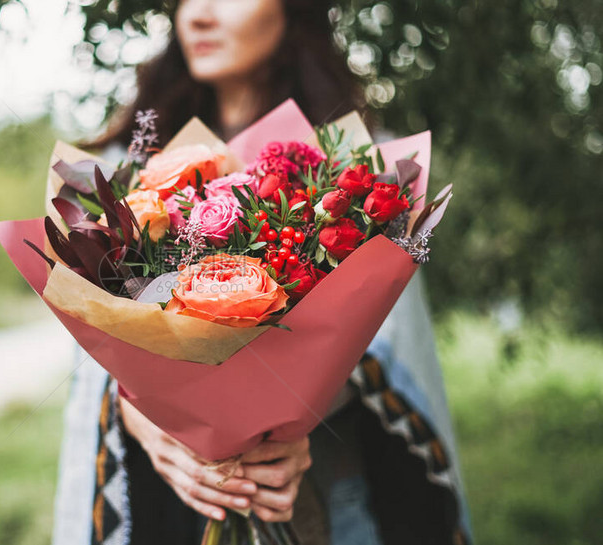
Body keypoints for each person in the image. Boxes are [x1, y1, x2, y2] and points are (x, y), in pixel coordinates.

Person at [51, 1, 473, 544]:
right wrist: (142, 420)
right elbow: (98, 351)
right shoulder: (123, 176)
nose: (197, 16)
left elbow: (388, 346)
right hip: (162, 502)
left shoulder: (363, 172)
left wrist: (283, 421)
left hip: (335, 498)